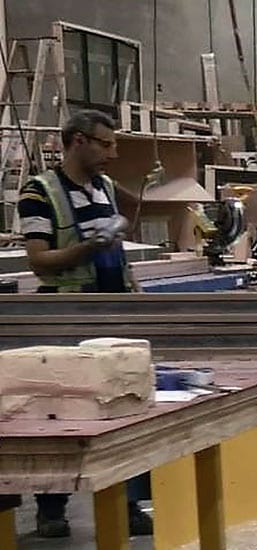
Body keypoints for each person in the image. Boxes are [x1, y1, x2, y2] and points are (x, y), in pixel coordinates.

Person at [8, 109, 153, 538]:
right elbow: (39, 261)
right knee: (60, 408)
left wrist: (124, 222)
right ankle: (51, 508)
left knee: (128, 402)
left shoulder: (104, 186)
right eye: (105, 144)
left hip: (115, 310)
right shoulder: (40, 193)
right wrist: (90, 247)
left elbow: (133, 206)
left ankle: (128, 501)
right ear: (76, 142)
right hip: (67, 311)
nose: (113, 151)